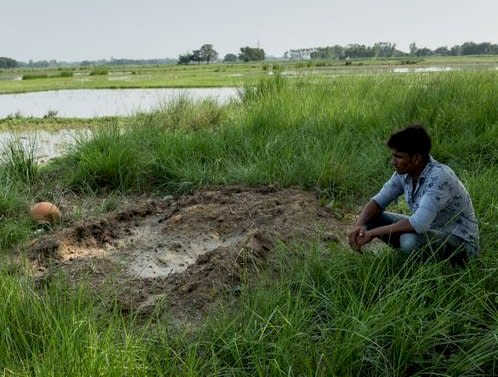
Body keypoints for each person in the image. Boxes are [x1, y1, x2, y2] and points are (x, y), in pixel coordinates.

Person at [348, 125, 479, 262]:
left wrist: (372, 233)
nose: (393, 162)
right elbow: (378, 201)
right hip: (430, 232)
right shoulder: (405, 173)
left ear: (416, 158)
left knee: (410, 240)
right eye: (393, 156)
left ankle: (419, 263)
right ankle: (413, 258)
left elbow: (419, 224)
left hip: (461, 243)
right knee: (372, 217)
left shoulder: (440, 177)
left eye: (399, 157)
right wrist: (358, 225)